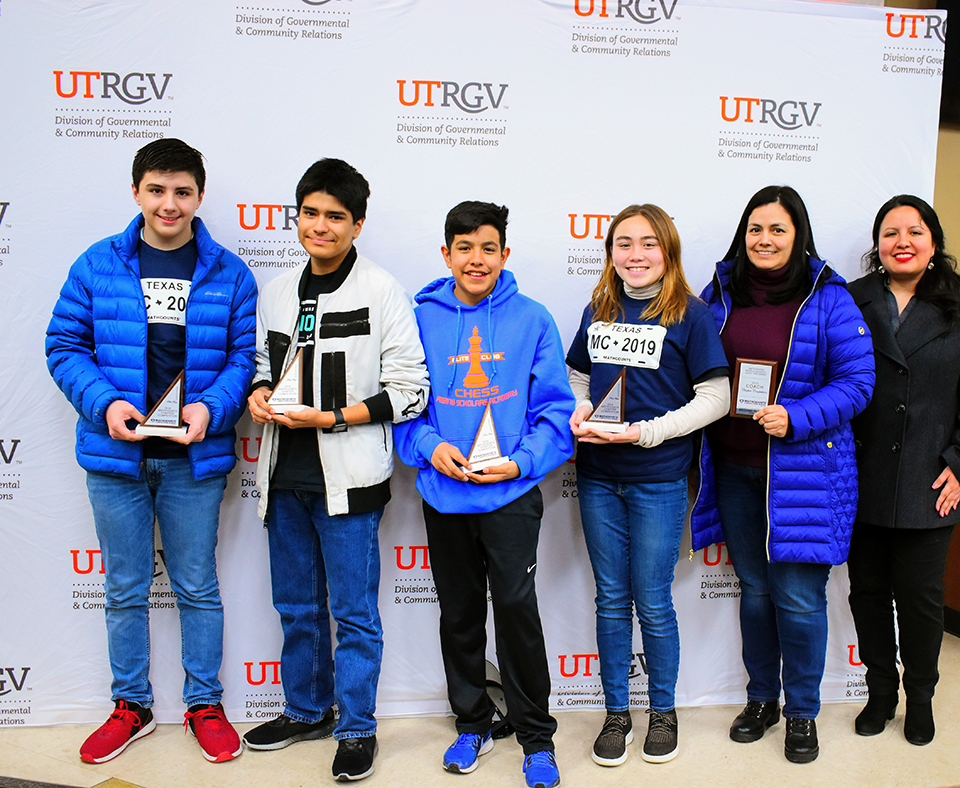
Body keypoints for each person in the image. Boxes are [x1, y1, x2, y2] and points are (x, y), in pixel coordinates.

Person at [45, 138, 257, 764]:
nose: (170, 204)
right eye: (157, 190)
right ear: (136, 192)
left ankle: (204, 705)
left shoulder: (229, 273)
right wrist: (105, 405)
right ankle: (131, 706)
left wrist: (211, 408)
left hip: (193, 458)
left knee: (197, 585)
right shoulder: (97, 265)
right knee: (125, 587)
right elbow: (64, 346)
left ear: (199, 195)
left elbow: (245, 360)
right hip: (118, 457)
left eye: (183, 191)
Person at [244, 158, 428, 782]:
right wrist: (259, 394)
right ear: (297, 216)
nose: (320, 226)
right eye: (311, 213)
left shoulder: (382, 291)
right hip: (283, 479)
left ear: (357, 224)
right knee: (296, 608)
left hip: (349, 481)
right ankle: (305, 710)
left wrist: (336, 418)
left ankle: (356, 728)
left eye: (335, 217)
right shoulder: (274, 291)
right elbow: (265, 368)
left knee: (352, 613)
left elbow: (411, 391)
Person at [690, 185, 874, 764]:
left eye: (777, 230)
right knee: (755, 593)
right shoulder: (717, 294)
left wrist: (795, 416)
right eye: (755, 229)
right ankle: (761, 699)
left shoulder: (829, 298)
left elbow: (858, 383)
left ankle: (802, 714)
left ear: (798, 236)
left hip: (802, 476)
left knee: (797, 598)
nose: (764, 240)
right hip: (733, 469)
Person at [394, 202, 574, 788]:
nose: (477, 260)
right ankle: (472, 722)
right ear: (446, 254)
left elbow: (555, 413)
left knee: (518, 612)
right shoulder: (418, 317)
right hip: (444, 494)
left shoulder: (532, 319)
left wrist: (521, 463)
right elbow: (402, 404)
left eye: (488, 248)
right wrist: (426, 446)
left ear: (505, 254)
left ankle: (536, 738)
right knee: (460, 614)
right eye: (464, 248)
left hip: (511, 497)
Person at [566, 204, 729, 766]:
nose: (635, 255)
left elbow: (716, 398)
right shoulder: (599, 308)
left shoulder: (692, 314)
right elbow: (579, 374)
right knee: (611, 600)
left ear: (668, 251)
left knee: (653, 601)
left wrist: (647, 433)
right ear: (610, 253)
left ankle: (663, 710)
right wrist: (582, 406)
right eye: (623, 244)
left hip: (657, 480)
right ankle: (616, 713)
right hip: (597, 479)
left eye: (648, 244)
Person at [847, 195, 960, 746]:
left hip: (930, 480)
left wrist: (959, 465)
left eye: (915, 231)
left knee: (919, 600)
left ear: (933, 242)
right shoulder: (849, 300)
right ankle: (880, 693)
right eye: (890, 232)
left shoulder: (959, 305)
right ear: (877, 246)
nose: (903, 241)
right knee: (866, 594)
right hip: (859, 476)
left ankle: (920, 697)